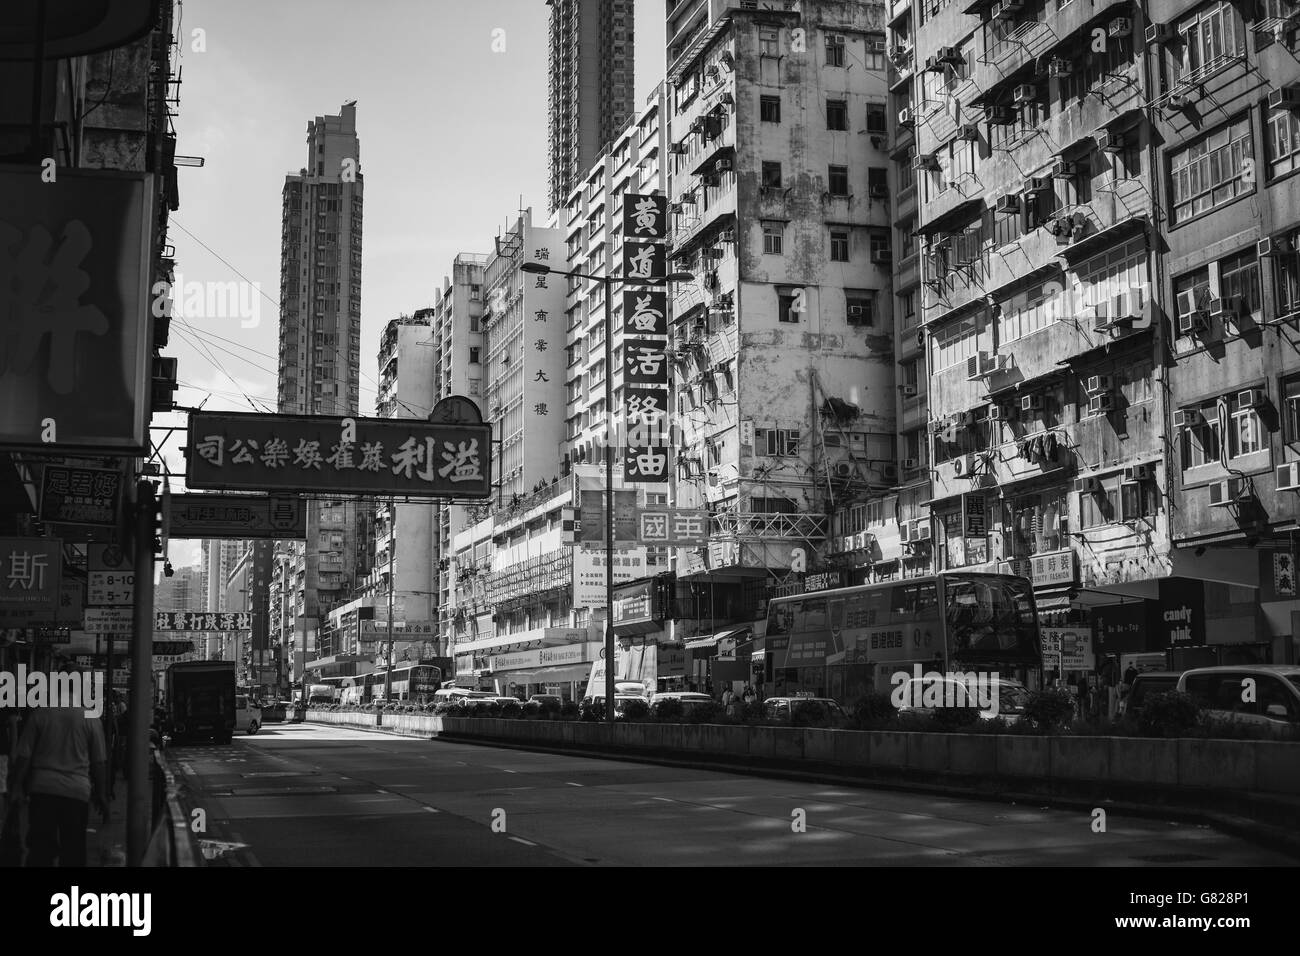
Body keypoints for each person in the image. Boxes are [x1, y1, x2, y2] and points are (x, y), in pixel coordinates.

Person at [9, 682, 109, 868]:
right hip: (77, 792)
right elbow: (99, 762)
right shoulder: (90, 717)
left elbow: (23, 756)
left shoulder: (41, 714)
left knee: (40, 850)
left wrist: (16, 787)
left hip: (42, 789)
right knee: (73, 851)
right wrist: (102, 793)